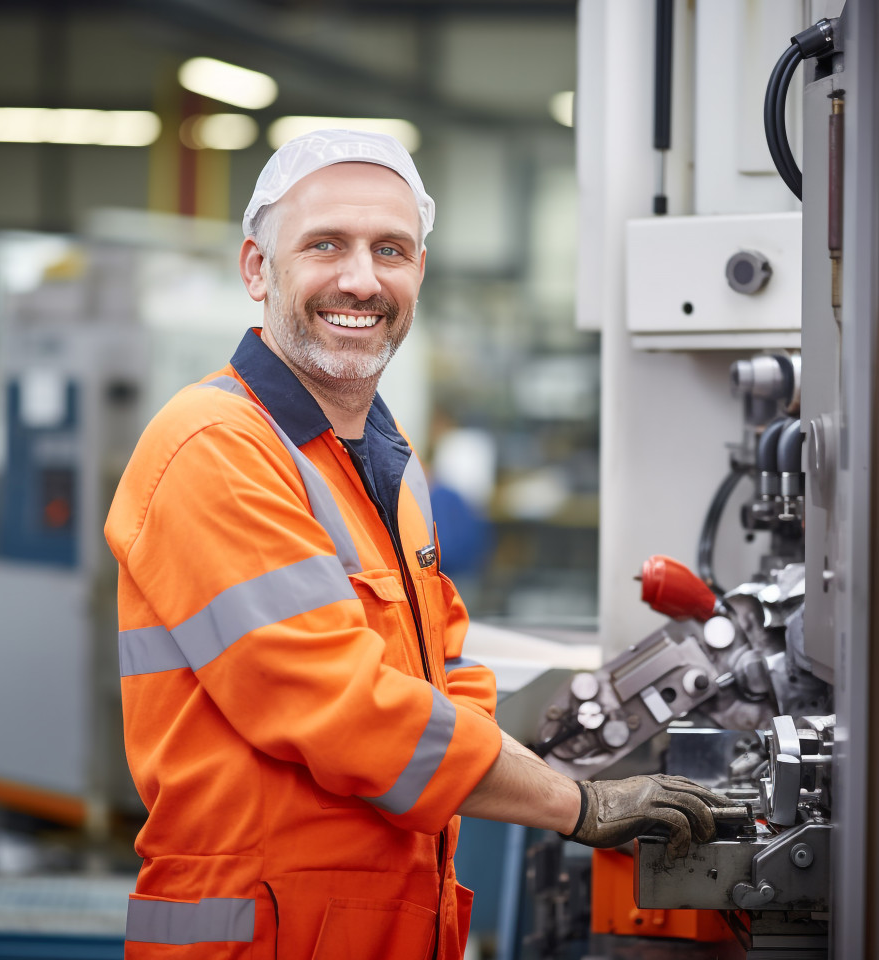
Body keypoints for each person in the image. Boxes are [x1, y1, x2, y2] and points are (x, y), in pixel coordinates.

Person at [105, 130, 732, 960]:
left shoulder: (387, 465)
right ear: (258, 269)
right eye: (325, 244)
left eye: (390, 250)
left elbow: (447, 677)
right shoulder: (213, 445)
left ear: (419, 274)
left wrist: (547, 775)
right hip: (257, 936)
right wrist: (577, 805)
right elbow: (341, 709)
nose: (361, 279)